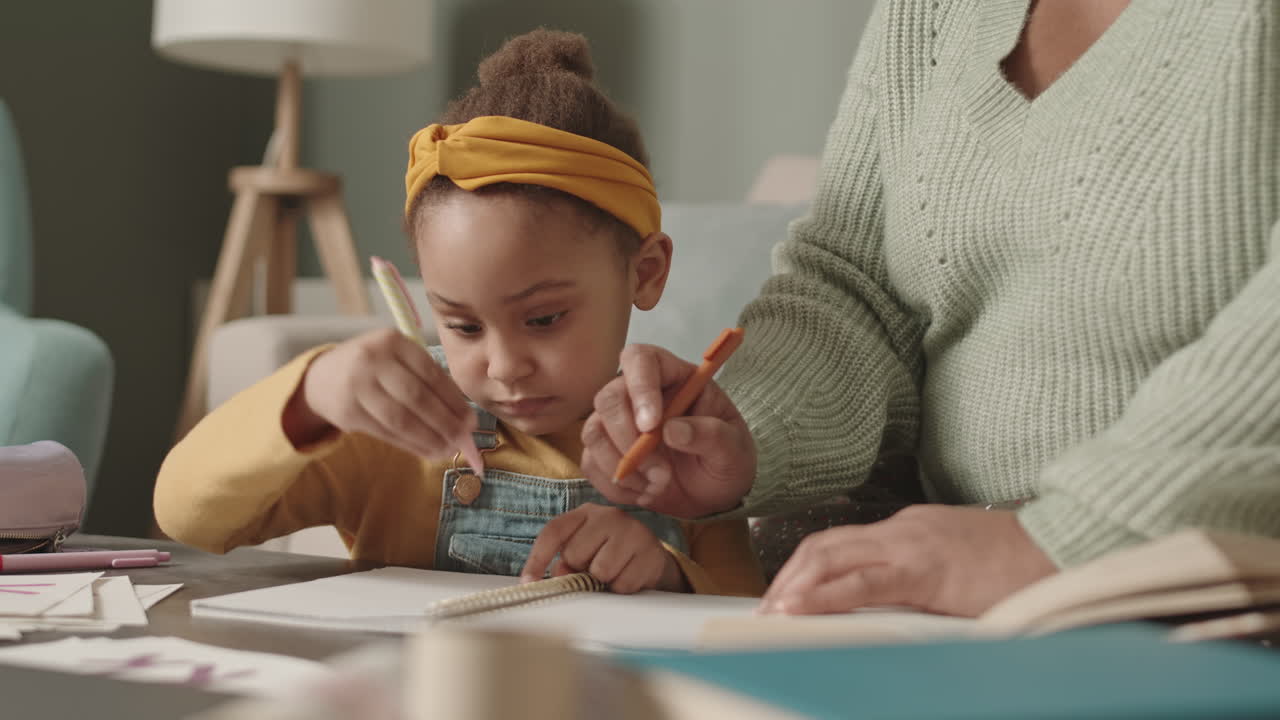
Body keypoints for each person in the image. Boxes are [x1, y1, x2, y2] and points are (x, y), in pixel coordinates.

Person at [564, 0, 1280, 616]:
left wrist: (1069, 536)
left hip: (1198, 581)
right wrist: (742, 429)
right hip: (948, 571)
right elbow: (857, 286)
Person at [153, 30, 765, 598]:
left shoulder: (677, 443)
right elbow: (188, 518)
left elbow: (742, 617)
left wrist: (666, 574)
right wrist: (312, 393)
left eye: (544, 318)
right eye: (464, 326)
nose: (503, 367)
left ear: (645, 271)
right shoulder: (393, 432)